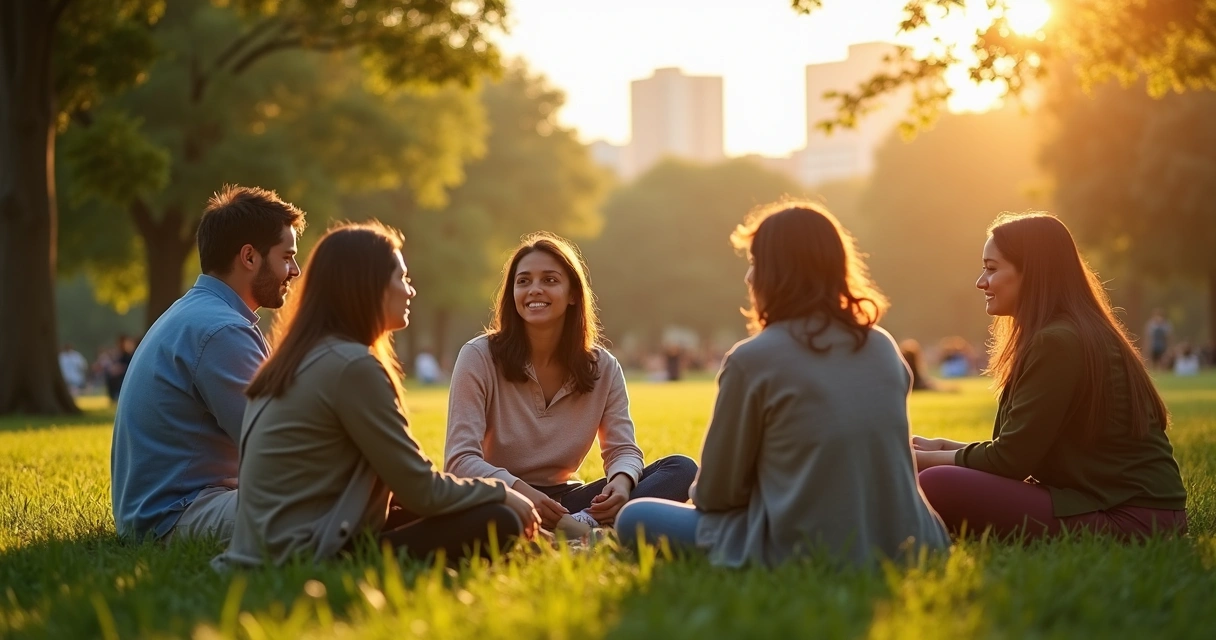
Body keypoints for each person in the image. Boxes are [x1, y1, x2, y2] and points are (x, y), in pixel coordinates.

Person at [615, 202, 949, 568]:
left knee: (635, 516)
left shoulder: (753, 359)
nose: (748, 277)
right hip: (911, 540)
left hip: (801, 544)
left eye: (755, 263)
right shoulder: (883, 346)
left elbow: (716, 494)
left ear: (779, 272)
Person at [214, 222, 538, 568]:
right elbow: (422, 491)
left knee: (471, 510)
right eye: (402, 278)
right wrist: (502, 491)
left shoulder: (307, 356)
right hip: (307, 553)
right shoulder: (352, 366)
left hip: (274, 544)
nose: (410, 291)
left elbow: (401, 485)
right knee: (500, 519)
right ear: (369, 286)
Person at [914, 212, 1187, 541]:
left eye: (991, 268)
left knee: (936, 482)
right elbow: (1018, 450)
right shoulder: (1064, 333)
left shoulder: (1058, 341)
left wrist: (922, 459)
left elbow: (1010, 461)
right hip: (1129, 509)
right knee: (931, 466)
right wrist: (940, 446)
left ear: (1032, 273)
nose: (981, 281)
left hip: (1131, 516)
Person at [444, 232, 698, 534]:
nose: (534, 290)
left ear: (573, 294)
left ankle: (581, 527)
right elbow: (459, 460)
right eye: (523, 281)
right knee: (498, 520)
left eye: (549, 280)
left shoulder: (603, 367)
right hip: (503, 498)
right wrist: (521, 492)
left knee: (681, 470)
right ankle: (587, 532)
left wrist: (621, 483)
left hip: (568, 501)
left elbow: (623, 450)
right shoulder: (478, 356)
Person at [111, 185, 306, 543]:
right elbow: (276, 443)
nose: (294, 270)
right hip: (177, 515)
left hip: (167, 509)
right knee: (330, 499)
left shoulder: (198, 312)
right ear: (249, 257)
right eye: (287, 256)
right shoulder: (221, 330)